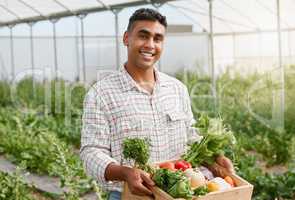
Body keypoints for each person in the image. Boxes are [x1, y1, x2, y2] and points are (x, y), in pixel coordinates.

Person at [80, 8, 234, 200]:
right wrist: (125, 172)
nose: (150, 45)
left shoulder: (177, 89)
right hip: (129, 194)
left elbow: (191, 137)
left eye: (158, 39)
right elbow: (91, 152)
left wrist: (214, 159)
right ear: (126, 38)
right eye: (143, 36)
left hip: (180, 192)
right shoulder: (101, 93)